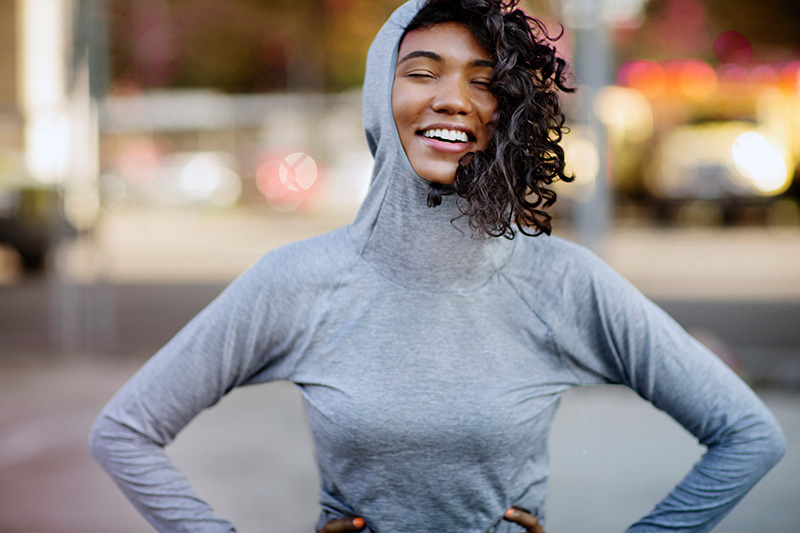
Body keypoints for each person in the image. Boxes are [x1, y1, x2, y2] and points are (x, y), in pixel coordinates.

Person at [90, 0, 786, 531]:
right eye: (421, 72)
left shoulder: (561, 281)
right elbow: (124, 431)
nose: (451, 97)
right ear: (377, 95)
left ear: (505, 111)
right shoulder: (297, 280)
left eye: (483, 82)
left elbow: (748, 435)